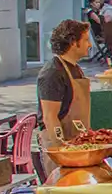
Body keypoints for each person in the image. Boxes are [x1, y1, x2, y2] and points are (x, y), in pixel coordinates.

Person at [39, 20, 93, 148]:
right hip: (60, 148)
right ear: (73, 43)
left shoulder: (76, 69)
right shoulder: (52, 73)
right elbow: (49, 117)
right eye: (86, 40)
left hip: (79, 142)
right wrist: (61, 146)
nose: (90, 44)